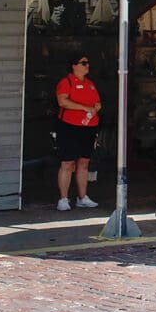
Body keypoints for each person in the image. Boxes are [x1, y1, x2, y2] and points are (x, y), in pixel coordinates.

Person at [55, 55, 101, 212]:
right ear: (74, 66)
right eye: (83, 63)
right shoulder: (66, 82)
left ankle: (82, 197)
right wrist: (84, 108)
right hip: (69, 127)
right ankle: (63, 199)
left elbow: (97, 102)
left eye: (88, 63)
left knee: (84, 163)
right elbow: (62, 101)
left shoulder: (90, 84)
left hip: (88, 127)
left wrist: (96, 107)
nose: (87, 65)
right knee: (67, 163)